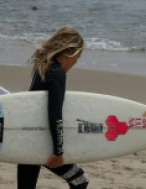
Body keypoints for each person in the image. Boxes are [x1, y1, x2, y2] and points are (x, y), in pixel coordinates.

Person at [17, 27, 89, 189]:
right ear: (68, 52)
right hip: (40, 142)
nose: (75, 63)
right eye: (77, 58)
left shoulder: (42, 67)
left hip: (27, 138)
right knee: (80, 180)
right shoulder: (57, 73)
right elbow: (54, 114)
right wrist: (58, 151)